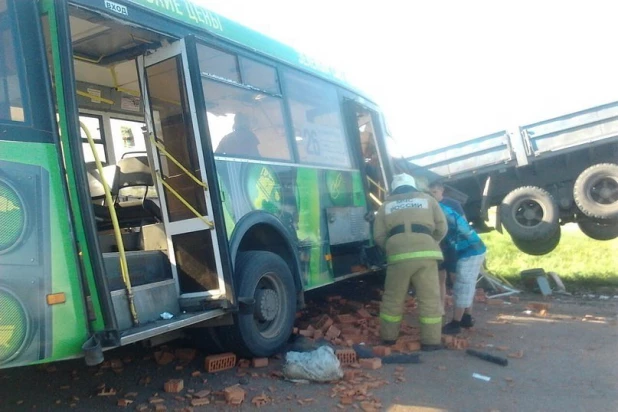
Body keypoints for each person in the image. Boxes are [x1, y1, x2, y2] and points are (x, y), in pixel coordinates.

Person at [373, 173, 448, 351]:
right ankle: (431, 342)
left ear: (394, 189)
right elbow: (442, 227)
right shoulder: (428, 200)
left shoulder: (386, 206)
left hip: (398, 256)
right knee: (429, 298)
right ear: (413, 186)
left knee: (393, 298)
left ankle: (389, 339)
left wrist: (392, 247)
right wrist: (430, 241)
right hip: (426, 254)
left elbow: (378, 236)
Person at [439, 204, 487, 335]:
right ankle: (466, 318)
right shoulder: (443, 207)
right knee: (468, 284)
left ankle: (456, 323)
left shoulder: (437, 212)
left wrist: (452, 267)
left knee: (462, 285)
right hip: (474, 248)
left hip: (468, 251)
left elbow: (448, 241)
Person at [428, 180, 466, 310]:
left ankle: (460, 309)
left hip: (453, 244)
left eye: (435, 192)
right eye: (430, 193)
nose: (433, 195)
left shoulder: (453, 204)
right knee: (440, 277)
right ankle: (441, 309)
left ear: (441, 190)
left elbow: (463, 223)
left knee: (455, 277)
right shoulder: (427, 206)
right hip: (437, 245)